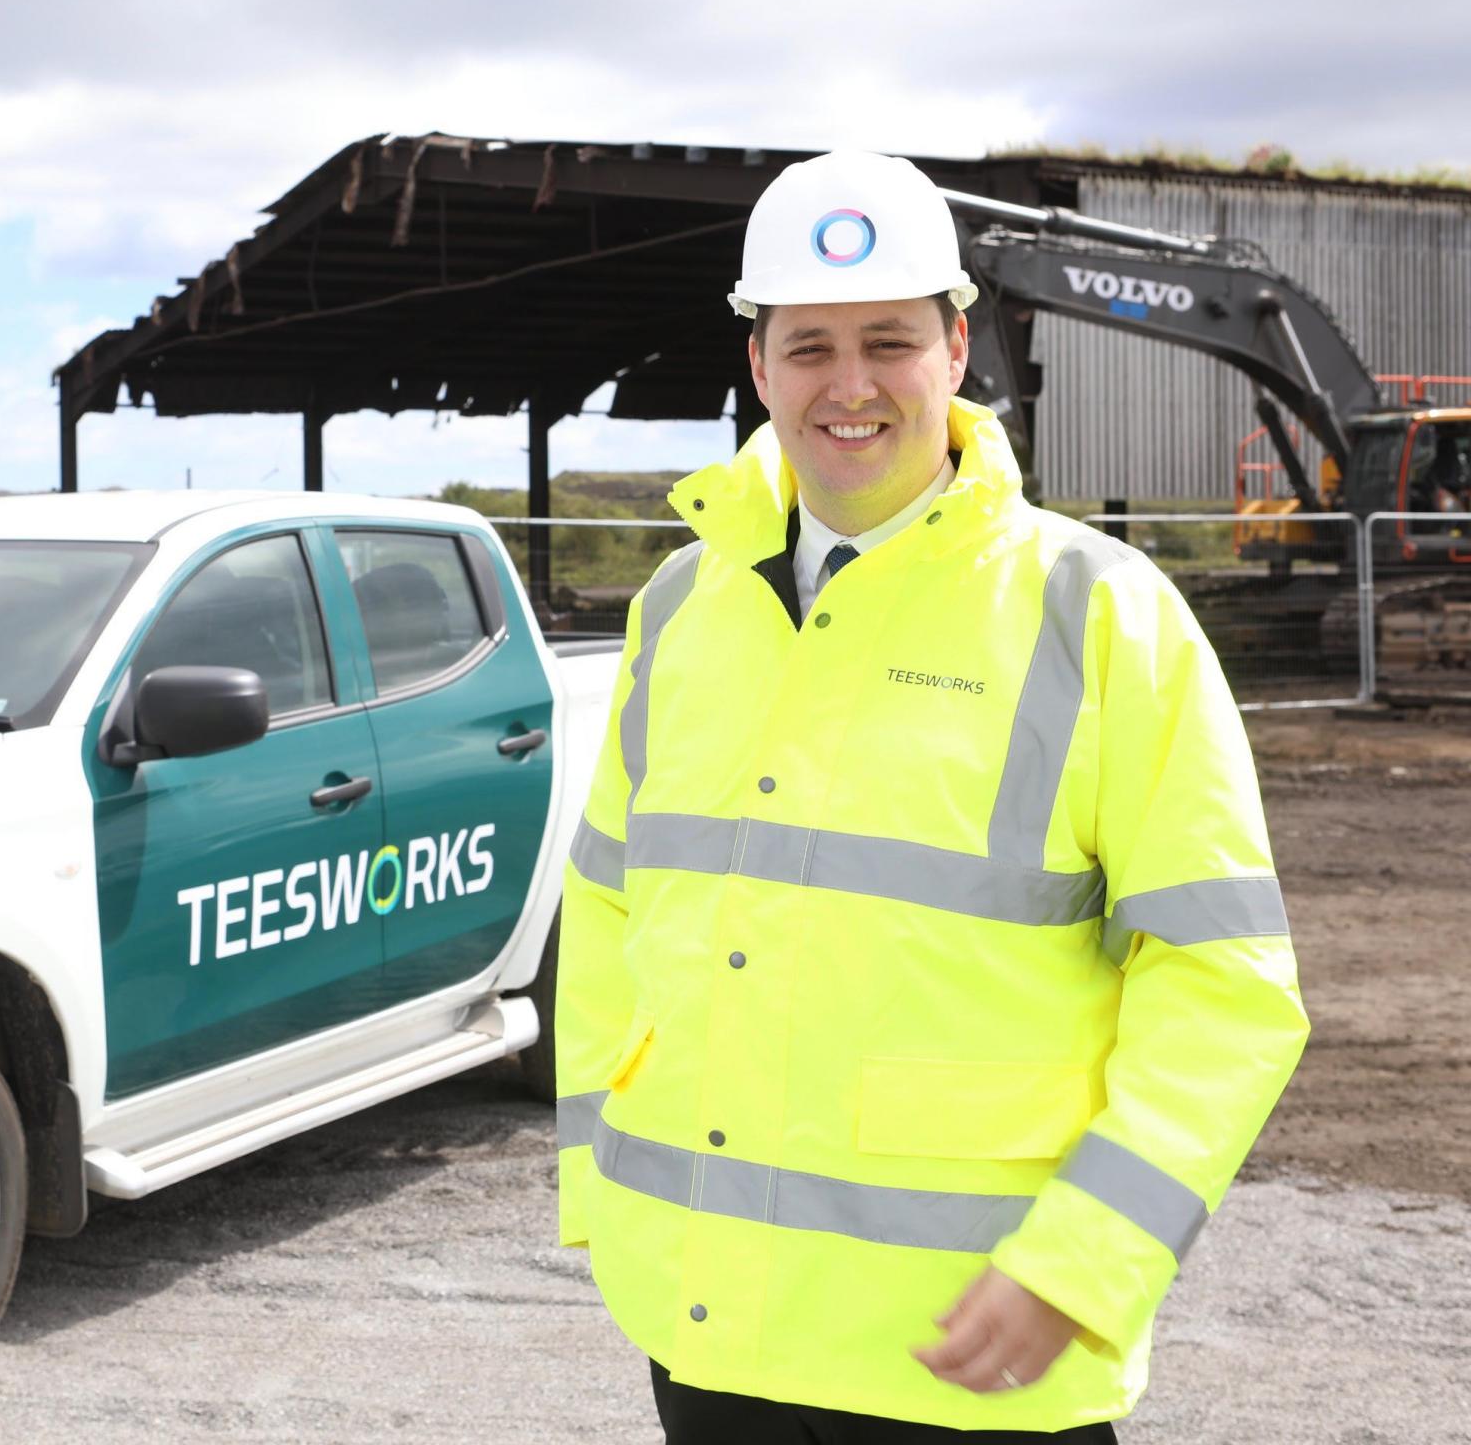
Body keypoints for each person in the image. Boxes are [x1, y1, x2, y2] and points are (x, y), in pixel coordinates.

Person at [554, 150, 1309, 1441]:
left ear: (958, 349)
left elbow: (1224, 985)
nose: (850, 387)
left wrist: (1088, 1258)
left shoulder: (1104, 619)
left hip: (968, 1365)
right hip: (708, 1343)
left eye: (889, 341)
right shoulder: (680, 609)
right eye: (810, 347)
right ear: (759, 367)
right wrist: (603, 1190)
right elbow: (612, 910)